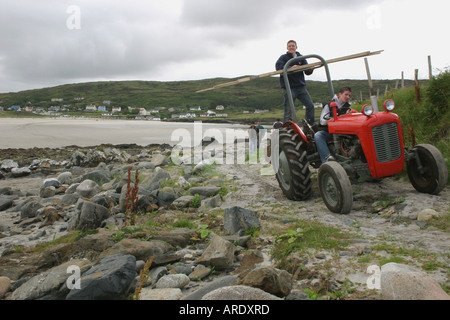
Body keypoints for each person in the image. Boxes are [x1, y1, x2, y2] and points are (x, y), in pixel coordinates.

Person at [275, 40, 315, 124]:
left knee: (310, 105)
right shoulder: (283, 57)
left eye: (293, 46)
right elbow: (278, 67)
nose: (291, 47)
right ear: (287, 48)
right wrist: (291, 67)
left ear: (296, 47)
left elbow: (307, 72)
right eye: (289, 46)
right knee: (288, 110)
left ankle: (309, 124)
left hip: (301, 87)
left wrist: (311, 69)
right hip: (289, 88)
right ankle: (286, 127)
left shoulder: (301, 57)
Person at [314, 86, 353, 163]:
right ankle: (327, 159)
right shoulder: (329, 105)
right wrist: (332, 120)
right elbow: (322, 121)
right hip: (329, 131)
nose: (348, 97)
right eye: (346, 94)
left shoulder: (347, 107)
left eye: (349, 95)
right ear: (340, 94)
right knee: (318, 135)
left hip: (342, 132)